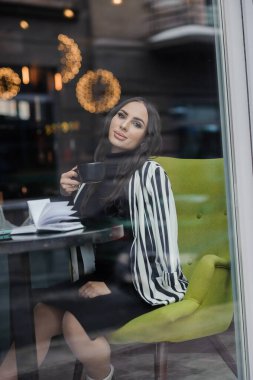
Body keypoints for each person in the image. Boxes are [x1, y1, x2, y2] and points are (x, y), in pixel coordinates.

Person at [0, 97, 188, 380]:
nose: (124, 125)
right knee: (41, 312)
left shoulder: (150, 173)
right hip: (95, 277)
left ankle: (102, 376)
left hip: (141, 280)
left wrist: (116, 285)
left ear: (145, 138)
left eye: (136, 124)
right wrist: (65, 194)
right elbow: (75, 230)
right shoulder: (93, 173)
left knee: (75, 323)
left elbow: (160, 239)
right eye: (121, 116)